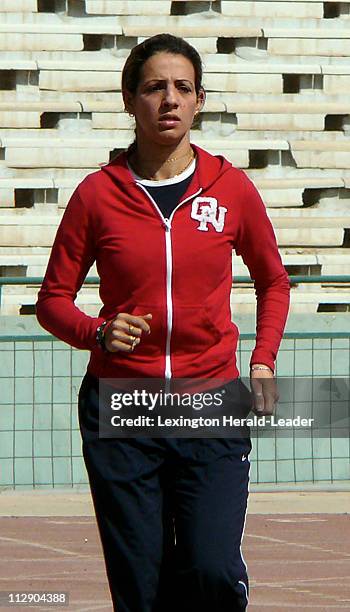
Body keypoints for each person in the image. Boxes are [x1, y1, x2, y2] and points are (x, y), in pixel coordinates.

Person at [36, 33, 290, 612]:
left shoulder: (231, 189)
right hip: (123, 407)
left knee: (211, 568)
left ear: (201, 100)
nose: (169, 99)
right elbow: (53, 300)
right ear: (130, 100)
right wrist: (97, 331)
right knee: (143, 588)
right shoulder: (96, 196)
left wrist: (263, 357)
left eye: (182, 87)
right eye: (154, 87)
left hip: (211, 402)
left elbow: (274, 280)